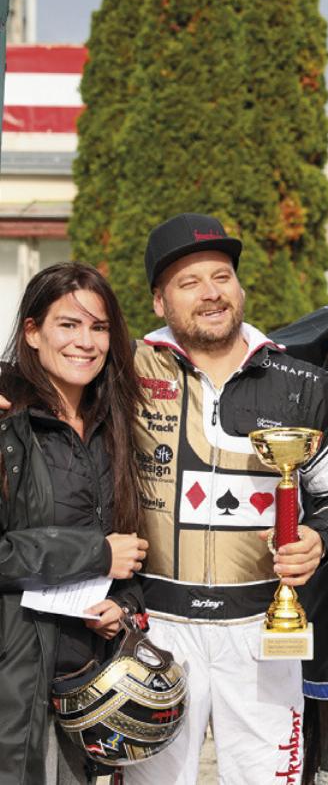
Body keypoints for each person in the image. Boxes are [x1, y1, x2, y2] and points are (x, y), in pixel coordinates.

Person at [124, 213, 328, 785]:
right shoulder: (124, 373)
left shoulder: (303, 384)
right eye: (189, 283)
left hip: (263, 632)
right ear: (160, 302)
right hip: (154, 629)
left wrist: (319, 539)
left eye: (222, 277)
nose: (211, 293)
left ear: (240, 285)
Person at [0, 263, 148, 785]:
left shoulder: (117, 424)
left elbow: (129, 547)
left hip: (87, 685)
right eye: (68, 325)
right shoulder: (5, 424)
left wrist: (122, 606)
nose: (85, 342)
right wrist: (95, 554)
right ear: (33, 332)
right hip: (14, 687)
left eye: (99, 327)